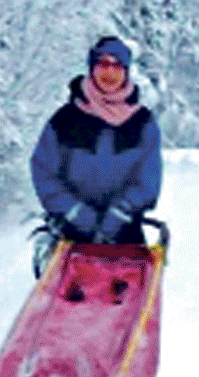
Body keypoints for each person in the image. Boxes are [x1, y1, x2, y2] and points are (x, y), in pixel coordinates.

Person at [29, 35, 163, 252]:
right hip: (69, 229)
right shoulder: (65, 120)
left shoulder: (142, 123)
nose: (109, 72)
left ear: (126, 71)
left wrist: (122, 211)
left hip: (125, 230)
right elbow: (42, 170)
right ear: (92, 68)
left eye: (117, 66)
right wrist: (72, 210)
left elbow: (149, 179)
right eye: (103, 64)